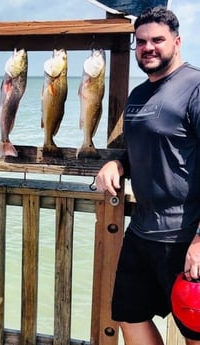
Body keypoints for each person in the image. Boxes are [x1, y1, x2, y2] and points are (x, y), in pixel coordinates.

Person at [95, 6, 200, 345]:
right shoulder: (139, 94)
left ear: (177, 41)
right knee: (128, 314)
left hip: (185, 238)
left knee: (195, 330)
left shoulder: (194, 87)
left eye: (158, 40)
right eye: (140, 42)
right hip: (142, 233)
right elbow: (146, 146)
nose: (148, 48)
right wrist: (119, 164)